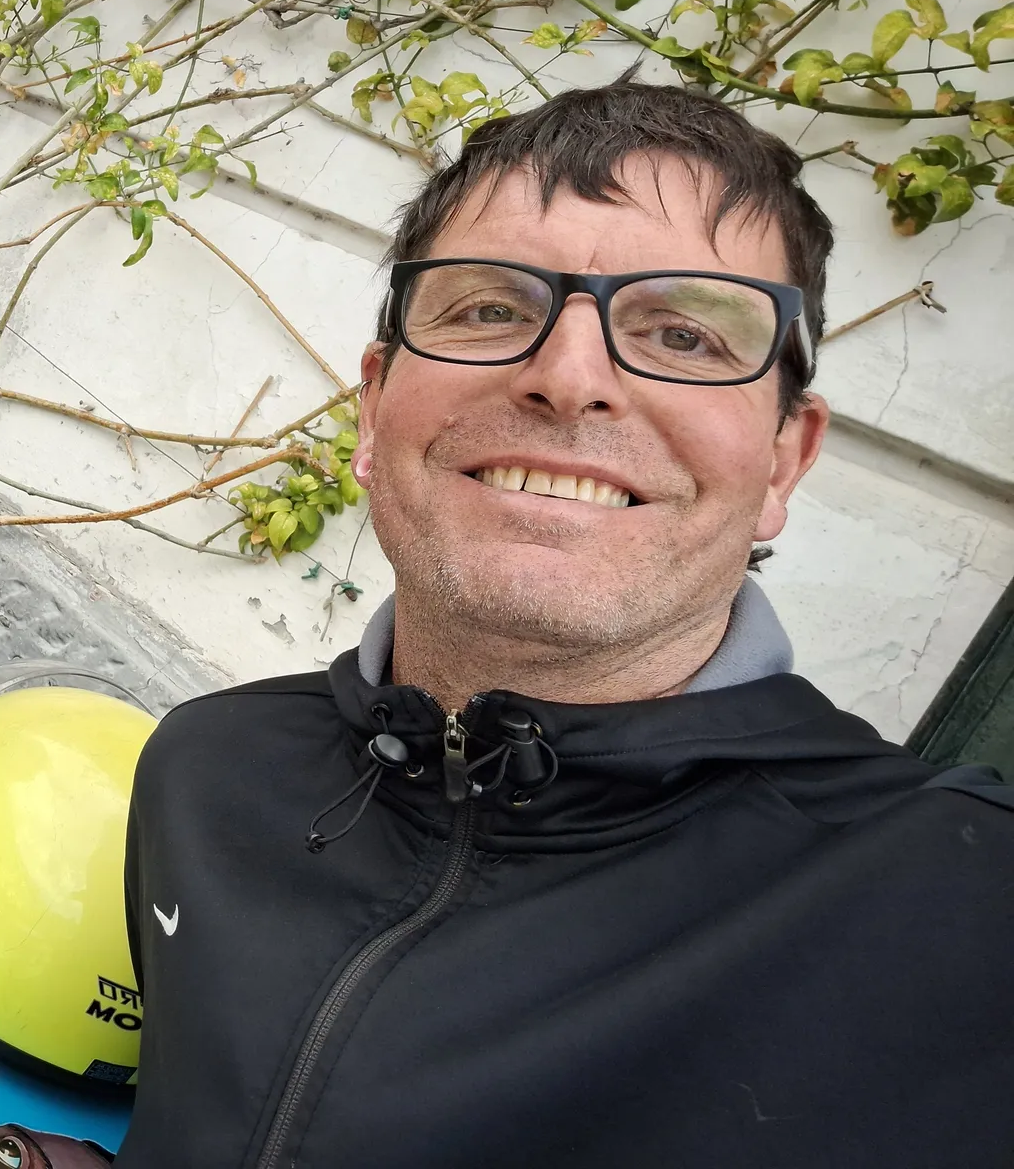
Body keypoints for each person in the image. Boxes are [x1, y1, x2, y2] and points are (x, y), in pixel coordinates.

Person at [121, 80, 1014, 1166]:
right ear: (373, 408)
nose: (569, 377)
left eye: (684, 334)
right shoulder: (210, 769)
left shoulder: (963, 919)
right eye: (490, 309)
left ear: (786, 458)